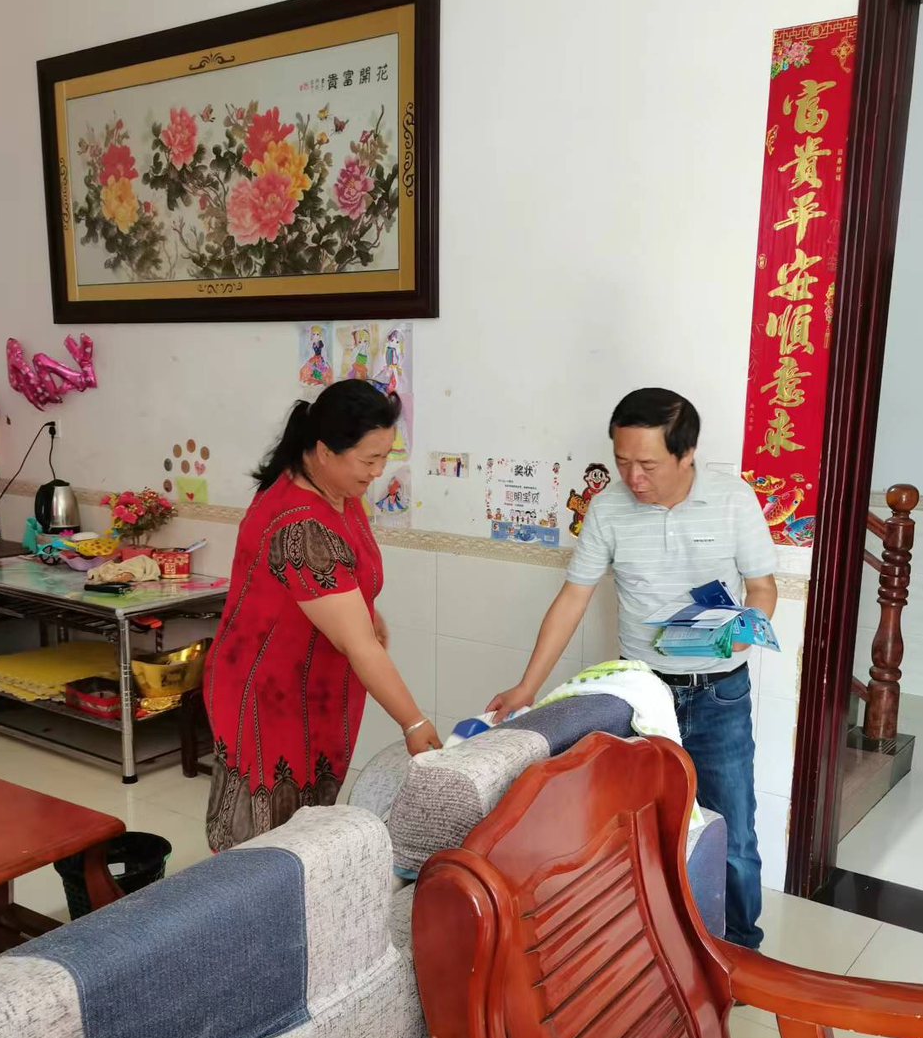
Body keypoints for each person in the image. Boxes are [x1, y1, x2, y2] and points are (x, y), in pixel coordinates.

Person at [488, 388, 777, 948]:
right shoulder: (608, 507)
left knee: (732, 829)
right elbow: (573, 598)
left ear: (686, 453)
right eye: (622, 461)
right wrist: (527, 686)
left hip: (718, 693)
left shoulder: (732, 500)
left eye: (648, 464)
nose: (633, 478)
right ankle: (659, 945)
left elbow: (762, 589)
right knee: (641, 826)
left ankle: (740, 951)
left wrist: (742, 632)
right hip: (641, 692)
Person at [204, 381, 440, 851]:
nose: (378, 471)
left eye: (384, 457)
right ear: (325, 450)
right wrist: (413, 723)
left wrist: (364, 611)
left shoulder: (336, 489)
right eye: (369, 459)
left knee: (307, 825)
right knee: (268, 834)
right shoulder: (302, 524)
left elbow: (336, 584)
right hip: (271, 695)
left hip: (313, 685)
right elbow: (356, 644)